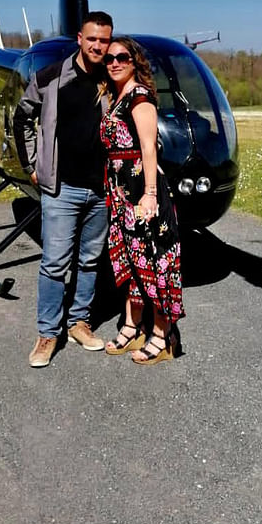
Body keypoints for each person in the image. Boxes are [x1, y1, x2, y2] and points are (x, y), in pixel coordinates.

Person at [13, 11, 114, 368]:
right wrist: (31, 166)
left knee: (90, 261)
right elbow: (22, 116)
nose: (98, 46)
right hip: (62, 189)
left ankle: (79, 323)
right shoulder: (52, 76)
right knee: (54, 264)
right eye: (92, 39)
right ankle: (47, 333)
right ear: (79, 38)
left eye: (104, 40)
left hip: (101, 190)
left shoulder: (112, 77)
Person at [100, 36, 184, 364]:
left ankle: (164, 335)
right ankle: (133, 325)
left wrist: (150, 195)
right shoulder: (114, 96)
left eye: (122, 57)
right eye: (108, 59)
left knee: (153, 260)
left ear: (135, 61)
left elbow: (149, 147)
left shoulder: (139, 95)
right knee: (133, 263)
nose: (115, 63)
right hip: (121, 193)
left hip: (141, 192)